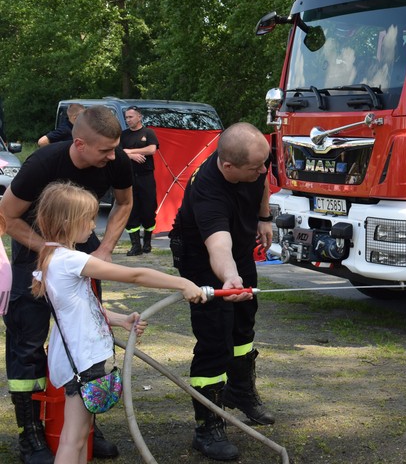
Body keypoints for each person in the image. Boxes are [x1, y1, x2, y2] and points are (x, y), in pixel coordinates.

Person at [31, 182, 206, 464]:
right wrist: (182, 282)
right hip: (84, 360)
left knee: (80, 433)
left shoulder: (54, 258)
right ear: (67, 222)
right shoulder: (71, 260)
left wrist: (120, 319)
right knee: (73, 437)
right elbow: (134, 276)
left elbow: (80, 309)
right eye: (87, 219)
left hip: (77, 357)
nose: (92, 225)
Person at [0, 106, 133, 463]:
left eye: (115, 148)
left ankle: (86, 423)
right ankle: (30, 434)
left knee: (86, 334)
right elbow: (6, 217)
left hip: (83, 248)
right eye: (104, 150)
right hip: (35, 248)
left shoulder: (114, 159)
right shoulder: (42, 164)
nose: (113, 156)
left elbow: (125, 203)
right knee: (27, 341)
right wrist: (51, 252)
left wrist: (104, 249)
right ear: (79, 143)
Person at [171, 122, 274, 460]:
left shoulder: (254, 159)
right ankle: (207, 427)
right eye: (255, 167)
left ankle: (240, 393)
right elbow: (218, 245)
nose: (262, 170)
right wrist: (230, 278)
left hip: (240, 249)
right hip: (203, 258)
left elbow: (262, 181)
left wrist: (264, 217)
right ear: (229, 166)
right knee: (215, 337)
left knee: (244, 325)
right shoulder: (207, 190)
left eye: (264, 163)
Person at [121, 106, 160, 256]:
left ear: (139, 117)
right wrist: (131, 156)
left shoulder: (148, 132)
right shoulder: (123, 135)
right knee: (132, 211)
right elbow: (118, 151)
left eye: (131, 117)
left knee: (148, 210)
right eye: (126, 117)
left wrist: (130, 151)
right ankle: (135, 246)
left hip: (146, 177)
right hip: (129, 177)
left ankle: (147, 243)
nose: (128, 120)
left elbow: (151, 149)